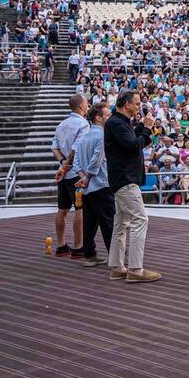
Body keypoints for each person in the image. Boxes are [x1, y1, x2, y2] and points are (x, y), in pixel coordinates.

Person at [104, 90, 160, 283]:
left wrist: (143, 131)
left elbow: (130, 143)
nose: (139, 107)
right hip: (126, 180)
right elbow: (133, 146)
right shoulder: (117, 123)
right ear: (127, 104)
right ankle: (135, 268)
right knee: (140, 219)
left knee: (121, 222)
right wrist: (146, 129)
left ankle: (117, 266)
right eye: (136, 104)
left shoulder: (118, 122)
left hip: (121, 179)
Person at [71, 102, 114, 267]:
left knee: (90, 222)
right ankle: (115, 257)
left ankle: (89, 255)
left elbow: (75, 161)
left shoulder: (83, 137)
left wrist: (82, 177)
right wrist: (88, 177)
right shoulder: (102, 135)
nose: (109, 117)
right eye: (107, 115)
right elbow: (97, 160)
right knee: (108, 222)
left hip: (86, 188)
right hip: (101, 184)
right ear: (98, 117)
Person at [51, 94, 89, 258]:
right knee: (79, 209)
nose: (87, 106)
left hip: (63, 172)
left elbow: (54, 147)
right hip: (75, 172)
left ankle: (61, 245)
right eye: (86, 104)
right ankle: (78, 246)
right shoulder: (83, 124)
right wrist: (67, 165)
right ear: (81, 106)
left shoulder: (61, 124)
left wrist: (62, 163)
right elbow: (76, 148)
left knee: (62, 209)